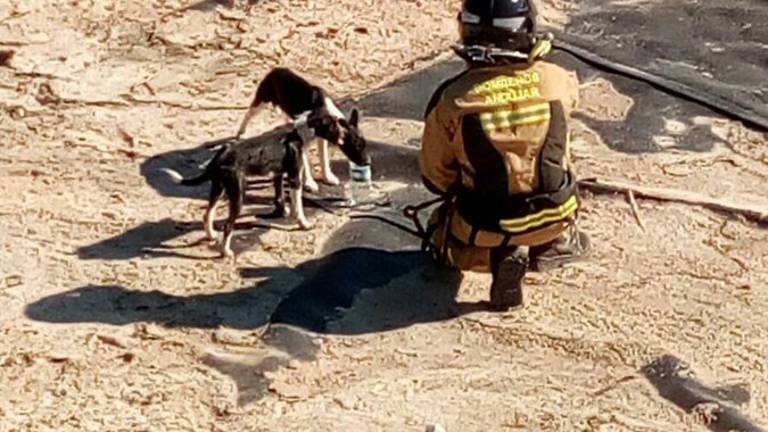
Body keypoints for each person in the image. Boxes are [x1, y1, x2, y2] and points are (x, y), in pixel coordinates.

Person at [418, 0, 590, 311]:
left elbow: (435, 178)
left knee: (438, 233)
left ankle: (497, 256)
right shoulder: (558, 79)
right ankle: (550, 244)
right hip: (557, 211)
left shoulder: (452, 99)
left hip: (485, 224)